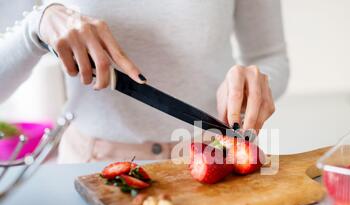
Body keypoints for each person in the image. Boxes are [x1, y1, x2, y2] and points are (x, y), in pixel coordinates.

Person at [0, 0, 289, 163]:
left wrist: (255, 86)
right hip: (90, 166)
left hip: (214, 159)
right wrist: (34, 28)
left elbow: (270, 55)